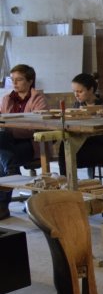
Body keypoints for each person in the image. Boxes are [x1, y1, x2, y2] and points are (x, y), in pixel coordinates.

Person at [0, 64, 48, 219]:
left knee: (2, 156)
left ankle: (2, 206)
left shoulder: (38, 99)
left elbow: (36, 126)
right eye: (12, 79)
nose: (14, 83)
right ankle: (11, 168)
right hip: (9, 143)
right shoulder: (7, 98)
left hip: (31, 144)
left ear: (30, 81)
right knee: (3, 151)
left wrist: (12, 127)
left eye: (19, 79)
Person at [58, 73, 103, 183]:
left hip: (102, 147)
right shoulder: (77, 106)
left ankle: (71, 182)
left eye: (80, 91)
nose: (76, 95)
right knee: (64, 147)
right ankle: (67, 181)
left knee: (69, 155)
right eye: (74, 91)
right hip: (83, 144)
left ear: (91, 89)